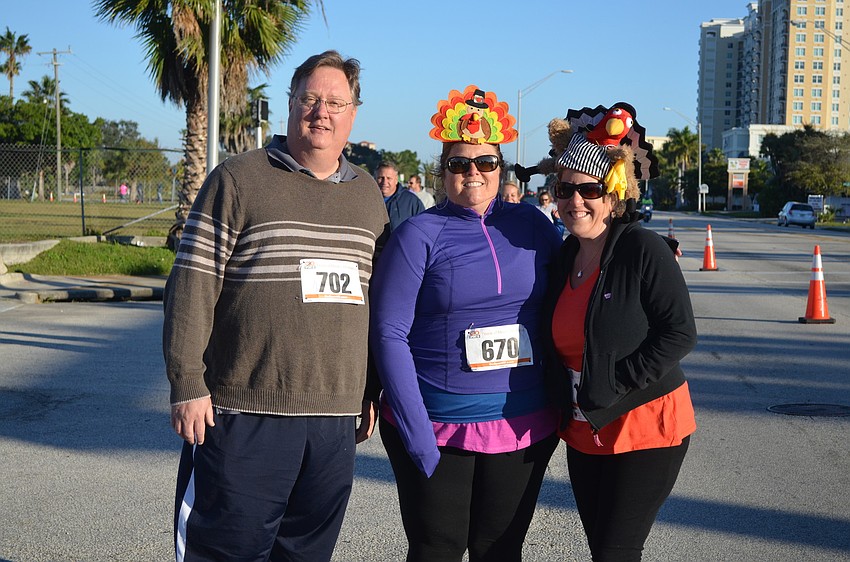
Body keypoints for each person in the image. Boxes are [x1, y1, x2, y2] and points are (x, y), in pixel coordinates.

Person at [162, 50, 389, 562]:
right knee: (223, 550)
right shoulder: (238, 179)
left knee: (306, 553)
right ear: (290, 103)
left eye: (336, 102)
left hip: (333, 422)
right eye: (310, 99)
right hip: (244, 414)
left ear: (353, 114)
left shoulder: (368, 198)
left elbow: (375, 304)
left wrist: (369, 389)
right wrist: (187, 383)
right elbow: (192, 283)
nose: (322, 112)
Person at [370, 85, 562, 562]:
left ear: (501, 167)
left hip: (522, 423)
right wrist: (416, 433)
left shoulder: (533, 225)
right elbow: (388, 332)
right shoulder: (419, 233)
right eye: (459, 164)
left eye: (486, 163)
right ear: (442, 171)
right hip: (439, 423)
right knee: (437, 549)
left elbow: (578, 281)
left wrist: (640, 251)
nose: (473, 173)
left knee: (501, 551)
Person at [540, 102, 697, 560]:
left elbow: (680, 333)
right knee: (601, 548)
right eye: (565, 189)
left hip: (646, 423)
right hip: (586, 423)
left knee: (617, 550)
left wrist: (616, 381)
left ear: (613, 194)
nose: (575, 201)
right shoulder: (564, 256)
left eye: (589, 189)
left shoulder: (643, 249)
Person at [377, 161, 425, 230]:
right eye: (381, 178)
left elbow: (423, 229)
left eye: (389, 178)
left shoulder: (412, 202)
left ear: (396, 180)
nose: (384, 182)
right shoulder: (369, 200)